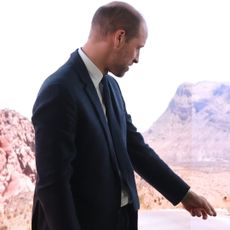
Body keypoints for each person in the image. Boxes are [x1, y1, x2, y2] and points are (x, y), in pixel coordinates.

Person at [31, 1, 216, 230]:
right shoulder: (59, 90)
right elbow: (53, 185)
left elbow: (134, 148)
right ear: (119, 37)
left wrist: (184, 195)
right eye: (138, 47)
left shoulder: (110, 87)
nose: (137, 58)